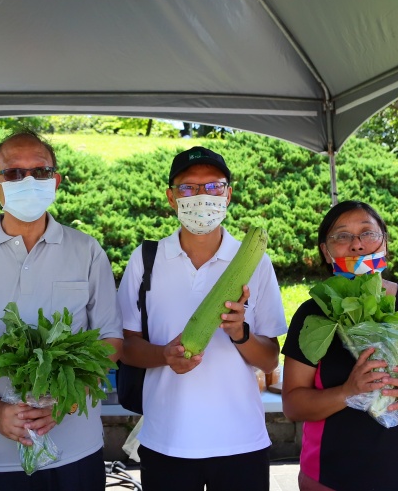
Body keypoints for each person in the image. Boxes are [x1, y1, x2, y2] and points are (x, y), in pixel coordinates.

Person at [0, 128, 122, 490]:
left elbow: (110, 340)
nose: (29, 181)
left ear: (56, 182)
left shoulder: (87, 251)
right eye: (15, 173)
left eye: (40, 171)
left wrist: (65, 401)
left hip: (73, 452)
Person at [117, 146, 287, 491]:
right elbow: (126, 347)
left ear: (228, 195)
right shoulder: (146, 259)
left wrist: (240, 333)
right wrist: (164, 355)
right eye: (188, 187)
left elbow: (270, 359)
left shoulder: (253, 261)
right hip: (166, 440)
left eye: (213, 186)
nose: (201, 196)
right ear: (171, 197)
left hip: (241, 442)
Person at [281, 200, 398, 491]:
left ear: (384, 242)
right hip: (330, 478)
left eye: (367, 233)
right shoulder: (313, 314)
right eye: (342, 236)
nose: (357, 244)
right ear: (326, 250)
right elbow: (293, 405)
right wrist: (347, 392)